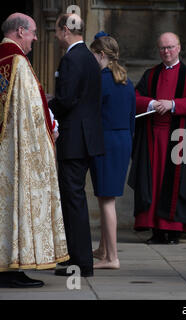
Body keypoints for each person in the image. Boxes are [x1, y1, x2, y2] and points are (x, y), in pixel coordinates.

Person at [0, 13, 69, 288]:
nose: (36, 39)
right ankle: (12, 268)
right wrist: (50, 129)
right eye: (33, 33)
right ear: (19, 31)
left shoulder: (3, 58)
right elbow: (30, 112)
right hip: (18, 152)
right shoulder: (17, 62)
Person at [128, 32, 186, 245]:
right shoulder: (151, 74)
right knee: (153, 183)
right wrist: (152, 103)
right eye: (163, 48)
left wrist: (172, 105)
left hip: (179, 139)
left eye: (170, 47)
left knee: (175, 183)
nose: (166, 52)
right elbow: (135, 99)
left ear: (179, 48)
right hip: (153, 139)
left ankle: (173, 231)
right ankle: (156, 230)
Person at [49, 13, 104, 278]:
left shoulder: (72, 58)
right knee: (76, 199)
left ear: (65, 31)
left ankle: (80, 263)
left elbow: (67, 100)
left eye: (57, 31)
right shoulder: (90, 58)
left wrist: (45, 105)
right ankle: (78, 259)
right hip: (86, 138)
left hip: (74, 140)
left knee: (73, 201)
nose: (56, 35)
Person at [89, 32, 136, 269]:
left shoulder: (102, 80)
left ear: (100, 55)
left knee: (106, 200)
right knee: (106, 197)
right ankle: (103, 249)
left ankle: (112, 258)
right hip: (123, 140)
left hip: (106, 141)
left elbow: (92, 115)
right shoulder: (126, 81)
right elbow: (132, 119)